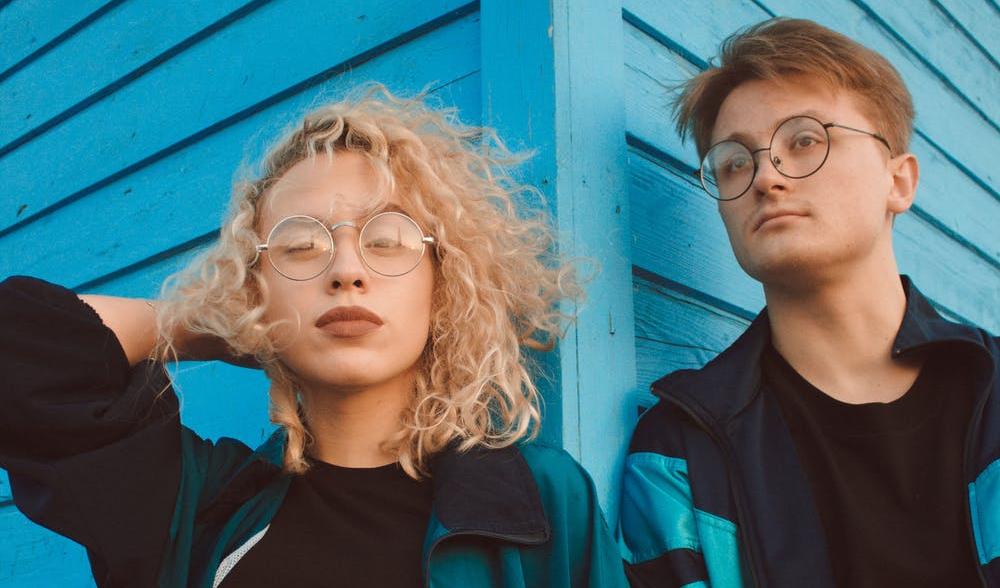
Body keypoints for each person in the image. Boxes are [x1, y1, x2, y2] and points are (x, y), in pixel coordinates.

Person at [0, 87, 629, 587]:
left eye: (387, 240)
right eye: (300, 246)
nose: (346, 270)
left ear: (444, 287)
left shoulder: (540, 499)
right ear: (255, 291)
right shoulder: (200, 506)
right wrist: (225, 326)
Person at [619, 17, 999, 588]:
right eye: (734, 161)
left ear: (899, 182)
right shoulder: (678, 456)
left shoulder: (993, 392)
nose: (765, 178)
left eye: (804, 141)